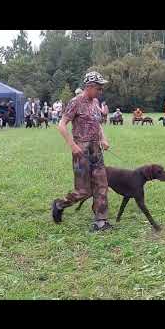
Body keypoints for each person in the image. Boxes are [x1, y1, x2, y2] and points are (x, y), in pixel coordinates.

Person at [52, 71, 112, 232]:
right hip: (81, 150)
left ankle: (101, 221)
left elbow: (98, 124)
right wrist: (72, 145)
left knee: (102, 185)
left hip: (96, 149)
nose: (101, 91)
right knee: (83, 191)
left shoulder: (95, 102)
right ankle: (60, 204)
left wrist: (103, 139)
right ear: (90, 87)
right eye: (99, 88)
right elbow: (62, 125)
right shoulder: (75, 102)